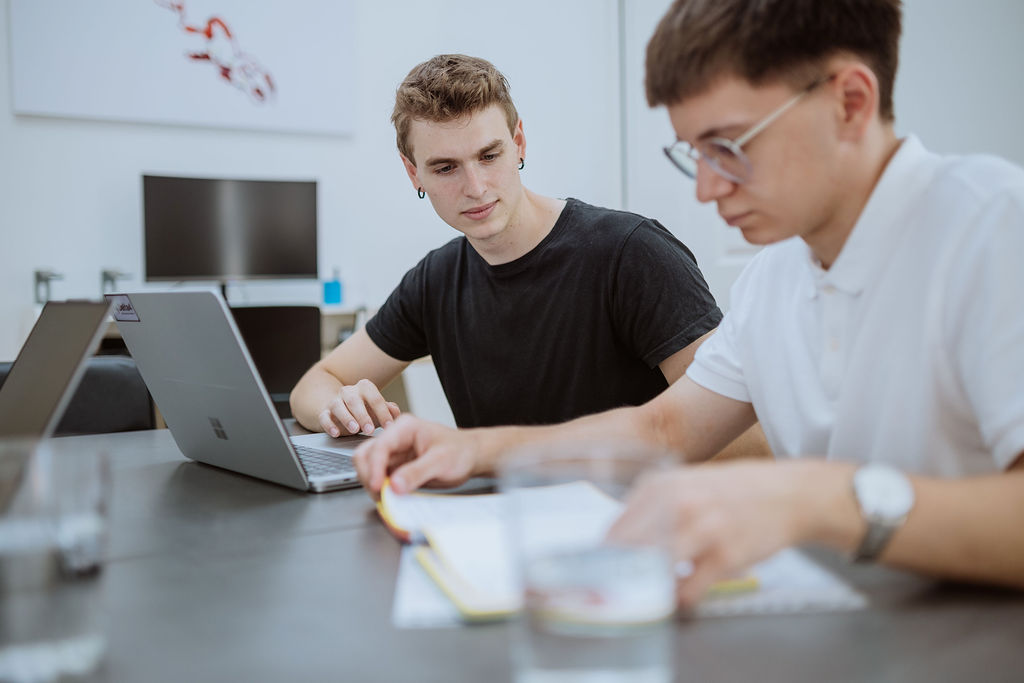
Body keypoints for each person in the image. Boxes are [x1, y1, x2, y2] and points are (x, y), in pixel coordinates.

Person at [353, 0, 1024, 604]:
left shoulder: (991, 225)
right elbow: (663, 430)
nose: (705, 188)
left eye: (729, 146)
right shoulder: (775, 279)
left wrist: (812, 496)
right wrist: (470, 449)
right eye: (694, 152)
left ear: (849, 102)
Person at [292, 54, 765, 457]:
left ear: (518, 143)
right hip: (502, 525)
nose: (475, 187)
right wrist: (337, 406)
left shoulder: (630, 253)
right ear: (413, 174)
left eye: (489, 155)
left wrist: (498, 456)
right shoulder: (436, 278)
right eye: (445, 167)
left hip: (635, 528)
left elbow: (752, 433)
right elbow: (316, 383)